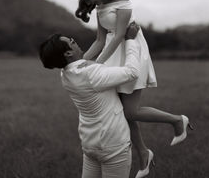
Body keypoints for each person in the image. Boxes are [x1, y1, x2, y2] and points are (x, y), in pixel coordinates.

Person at [72, 0, 193, 178]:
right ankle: (144, 154)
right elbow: (100, 40)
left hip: (131, 49)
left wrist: (97, 65)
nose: (85, 2)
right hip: (112, 53)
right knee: (120, 112)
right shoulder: (100, 8)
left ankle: (176, 120)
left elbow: (120, 35)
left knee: (130, 112)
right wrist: (82, 61)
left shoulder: (122, 1)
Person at [39, 26, 140, 178]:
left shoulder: (65, 75)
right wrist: (131, 41)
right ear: (68, 53)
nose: (75, 42)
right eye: (72, 42)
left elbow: (82, 64)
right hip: (113, 144)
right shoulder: (91, 73)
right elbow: (132, 72)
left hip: (89, 143)